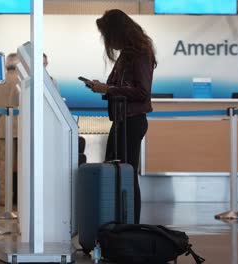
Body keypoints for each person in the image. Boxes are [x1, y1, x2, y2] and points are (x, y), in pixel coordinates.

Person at [85, 9, 157, 224]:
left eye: (107, 34)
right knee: (116, 172)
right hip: (122, 120)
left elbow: (142, 92)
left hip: (132, 121)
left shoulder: (140, 54)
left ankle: (129, 226)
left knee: (126, 174)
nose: (106, 40)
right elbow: (124, 87)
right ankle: (118, 223)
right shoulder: (128, 54)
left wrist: (108, 89)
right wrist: (106, 87)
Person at [0, 53, 20, 206]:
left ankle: (4, 198)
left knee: (4, 165)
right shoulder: (23, 81)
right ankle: (23, 198)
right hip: (22, 126)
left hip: (4, 126)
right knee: (24, 164)